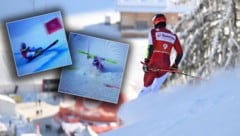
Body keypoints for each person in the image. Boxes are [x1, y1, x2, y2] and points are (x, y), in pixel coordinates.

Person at [139, 14, 183, 96]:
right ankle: (154, 106)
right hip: (165, 66)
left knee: (146, 88)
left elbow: (150, 47)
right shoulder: (173, 36)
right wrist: (175, 65)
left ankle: (136, 107)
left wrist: (146, 62)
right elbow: (180, 53)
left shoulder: (153, 32)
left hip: (153, 64)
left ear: (155, 23)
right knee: (155, 90)